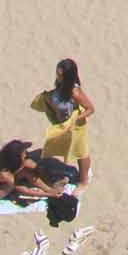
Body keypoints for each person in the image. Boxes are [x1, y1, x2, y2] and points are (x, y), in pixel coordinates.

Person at [31, 57, 94, 188]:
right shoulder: (61, 85)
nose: (57, 77)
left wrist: (76, 120)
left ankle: (83, 181)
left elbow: (90, 109)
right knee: (69, 148)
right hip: (63, 124)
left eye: (60, 75)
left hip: (75, 126)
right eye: (57, 73)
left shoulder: (75, 92)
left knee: (81, 152)